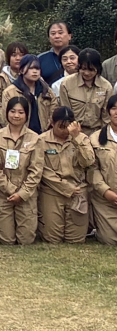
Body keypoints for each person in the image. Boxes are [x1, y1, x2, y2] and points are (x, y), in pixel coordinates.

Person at [35, 105, 96, 244]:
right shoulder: (42, 140)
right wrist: (65, 187)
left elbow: (88, 162)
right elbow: (42, 170)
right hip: (53, 191)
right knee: (52, 238)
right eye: (61, 127)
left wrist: (77, 138)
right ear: (52, 123)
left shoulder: (82, 138)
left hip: (78, 190)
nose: (65, 131)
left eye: (68, 127)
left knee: (75, 240)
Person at [0, 96, 41, 245]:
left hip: (26, 195)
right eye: (13, 111)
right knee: (7, 240)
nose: (16, 115)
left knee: (26, 240)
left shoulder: (35, 138)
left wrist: (22, 193)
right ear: (7, 113)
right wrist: (11, 190)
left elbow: (36, 171)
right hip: (3, 194)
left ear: (26, 115)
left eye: (20, 112)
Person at [0, 55, 57, 134]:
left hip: (44, 134)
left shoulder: (46, 90)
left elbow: (54, 111)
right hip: (20, 135)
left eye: (37, 68)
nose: (35, 71)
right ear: (22, 70)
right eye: (31, 68)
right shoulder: (10, 92)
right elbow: (6, 117)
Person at [59, 49, 113, 134]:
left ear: (98, 68)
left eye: (91, 70)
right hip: (73, 131)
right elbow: (65, 112)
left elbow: (106, 117)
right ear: (79, 66)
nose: (87, 73)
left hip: (97, 132)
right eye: (83, 69)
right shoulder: (66, 84)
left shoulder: (106, 87)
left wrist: (103, 135)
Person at [89, 95, 117, 245]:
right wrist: (106, 192)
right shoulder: (95, 138)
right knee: (110, 239)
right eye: (114, 108)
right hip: (106, 199)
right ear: (108, 112)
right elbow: (93, 169)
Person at [38, 20, 72, 86]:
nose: (57, 36)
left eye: (60, 33)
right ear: (49, 38)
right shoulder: (40, 59)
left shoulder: (79, 57)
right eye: (53, 33)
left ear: (69, 36)